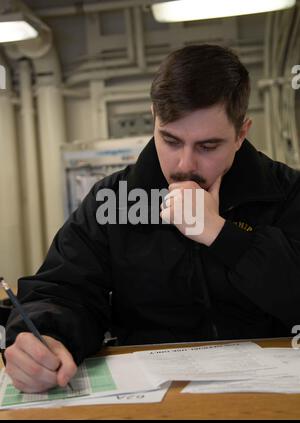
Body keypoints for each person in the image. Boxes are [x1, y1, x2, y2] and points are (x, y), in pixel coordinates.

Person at [4, 44, 300, 393]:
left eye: (207, 146)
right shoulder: (114, 199)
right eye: (170, 140)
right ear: (154, 119)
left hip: (268, 396)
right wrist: (48, 336)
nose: (184, 165)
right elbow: (64, 289)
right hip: (150, 398)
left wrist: (222, 235)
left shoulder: (285, 192)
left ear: (241, 134)